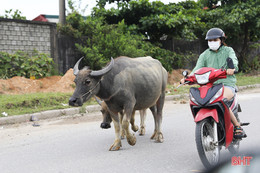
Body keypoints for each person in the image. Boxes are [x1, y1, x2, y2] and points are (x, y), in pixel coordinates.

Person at [181, 28, 246, 139]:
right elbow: (197, 68)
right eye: (209, 40)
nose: (212, 42)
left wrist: (232, 68)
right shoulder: (205, 55)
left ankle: (237, 126)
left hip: (226, 84)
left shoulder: (228, 50)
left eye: (215, 40)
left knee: (221, 99)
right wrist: (188, 78)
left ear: (221, 40)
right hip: (209, 85)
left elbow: (233, 61)